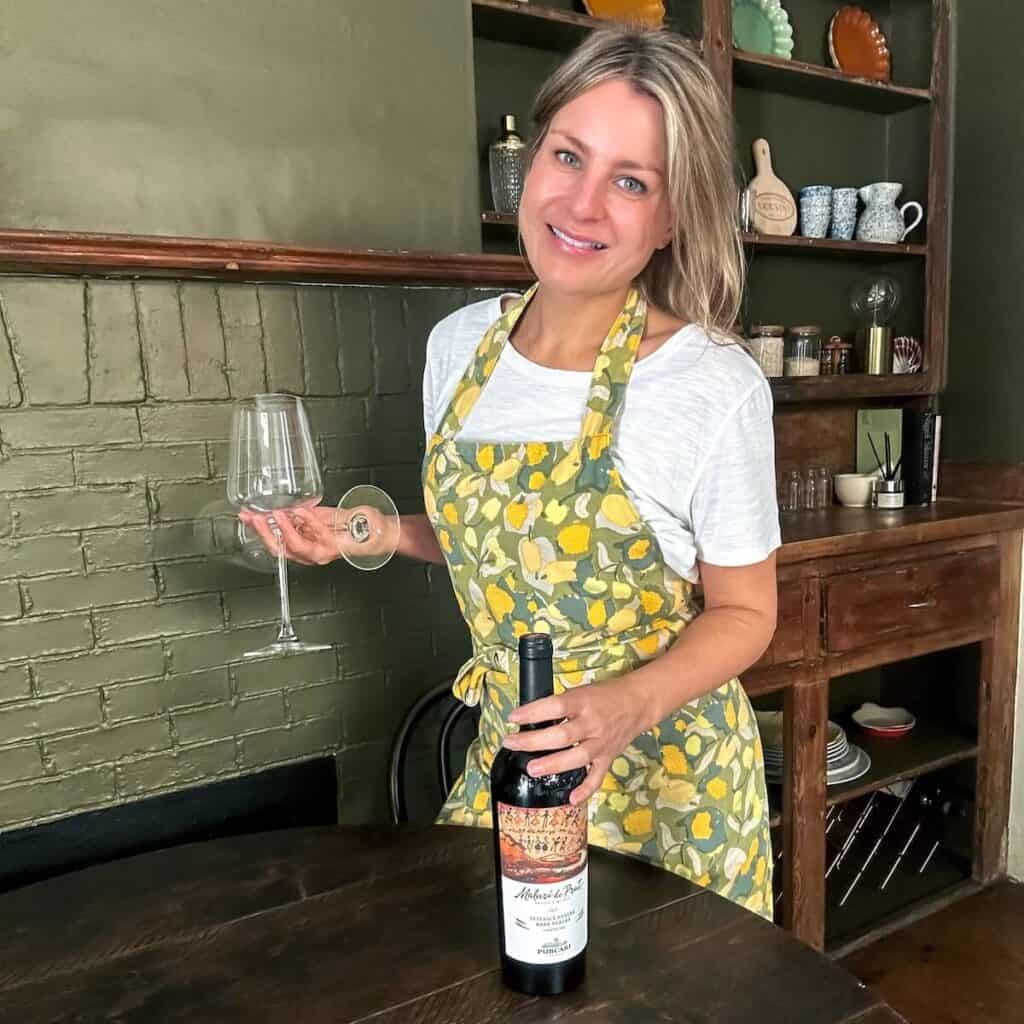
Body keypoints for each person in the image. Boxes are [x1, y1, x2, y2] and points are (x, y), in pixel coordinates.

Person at [243, 24, 780, 920]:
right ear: (530, 163)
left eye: (632, 181)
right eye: (568, 156)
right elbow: (504, 547)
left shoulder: (709, 384)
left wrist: (623, 707)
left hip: (670, 779)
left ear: (672, 217)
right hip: (517, 756)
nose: (584, 203)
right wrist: (366, 533)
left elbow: (747, 612)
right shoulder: (457, 351)